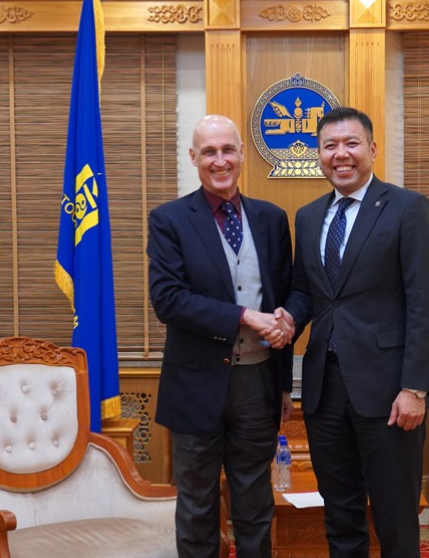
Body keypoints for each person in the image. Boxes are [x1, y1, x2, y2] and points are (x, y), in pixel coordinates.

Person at [284, 106, 429, 558]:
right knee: (340, 512)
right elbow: (306, 293)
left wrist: (414, 387)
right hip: (324, 388)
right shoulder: (308, 216)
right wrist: (284, 320)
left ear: (371, 149)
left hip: (390, 391)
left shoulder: (407, 208)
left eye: (351, 144)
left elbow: (424, 303)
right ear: (318, 154)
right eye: (330, 146)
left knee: (395, 517)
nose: (341, 154)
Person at [147, 114, 295, 558]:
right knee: (197, 505)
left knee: (255, 503)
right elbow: (168, 300)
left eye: (228, 149)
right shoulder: (170, 220)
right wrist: (245, 316)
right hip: (195, 383)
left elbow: (283, 299)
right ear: (193, 157)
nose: (220, 160)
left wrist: (283, 385)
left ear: (242, 154)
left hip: (258, 383)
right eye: (209, 152)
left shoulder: (271, 219)